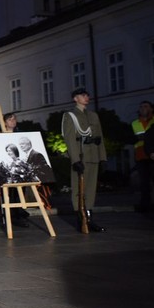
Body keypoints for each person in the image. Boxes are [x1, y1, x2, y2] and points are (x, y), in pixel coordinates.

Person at [61, 88, 106, 233]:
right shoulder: (70, 116)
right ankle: (81, 219)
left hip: (93, 156)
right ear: (75, 98)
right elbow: (69, 139)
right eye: (82, 95)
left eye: (87, 95)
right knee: (78, 189)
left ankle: (89, 219)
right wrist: (74, 160)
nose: (86, 97)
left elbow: (100, 138)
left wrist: (102, 157)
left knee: (91, 189)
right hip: (81, 156)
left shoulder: (93, 115)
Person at [131, 101, 154, 212]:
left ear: (151, 109)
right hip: (141, 155)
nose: (143, 108)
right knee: (144, 182)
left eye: (145, 106)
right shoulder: (135, 123)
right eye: (141, 107)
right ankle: (146, 205)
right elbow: (132, 138)